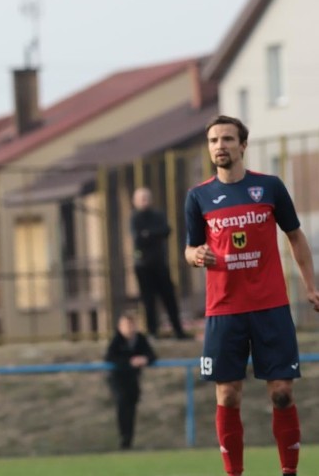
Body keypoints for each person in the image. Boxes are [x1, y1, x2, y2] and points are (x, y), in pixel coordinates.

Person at [184, 114, 319, 476]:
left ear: (243, 145)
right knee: (227, 395)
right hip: (224, 310)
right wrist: (196, 255)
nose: (220, 146)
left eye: (227, 139)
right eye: (214, 140)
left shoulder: (270, 187)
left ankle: (289, 471)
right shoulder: (199, 196)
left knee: (281, 393)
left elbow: (295, 236)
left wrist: (311, 285)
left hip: (271, 307)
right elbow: (190, 248)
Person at [130, 186, 189, 339]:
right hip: (143, 266)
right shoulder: (135, 218)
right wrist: (153, 234)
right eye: (141, 198)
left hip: (160, 264)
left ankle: (178, 331)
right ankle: (152, 332)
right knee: (148, 300)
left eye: (146, 198)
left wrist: (148, 234)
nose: (145, 201)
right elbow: (138, 238)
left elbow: (166, 231)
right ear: (135, 201)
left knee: (169, 298)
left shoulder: (158, 215)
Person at [104, 312, 156, 450]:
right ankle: (124, 439)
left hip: (133, 379)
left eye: (131, 324)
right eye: (126, 325)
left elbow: (151, 355)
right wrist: (129, 362)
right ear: (120, 327)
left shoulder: (139, 339)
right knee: (122, 405)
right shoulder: (117, 340)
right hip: (118, 379)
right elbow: (110, 358)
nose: (129, 328)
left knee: (131, 408)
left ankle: (128, 440)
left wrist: (144, 359)